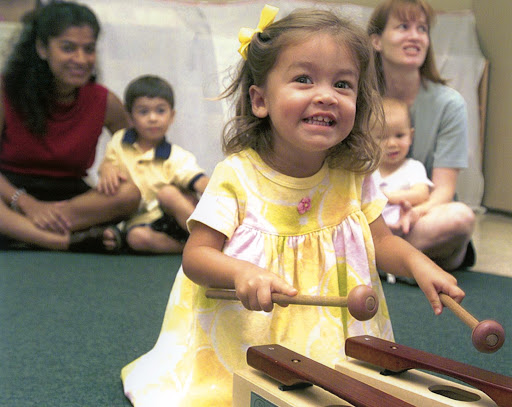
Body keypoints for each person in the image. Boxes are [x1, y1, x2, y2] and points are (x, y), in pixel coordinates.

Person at [120, 6, 464, 406]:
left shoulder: (352, 173)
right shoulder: (237, 175)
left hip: (329, 336)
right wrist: (241, 272)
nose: (325, 95)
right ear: (261, 99)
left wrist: (418, 263)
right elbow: (197, 257)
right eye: (303, 79)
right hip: (246, 336)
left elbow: (382, 242)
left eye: (342, 84)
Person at [0, 0, 140, 252]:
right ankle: (60, 241)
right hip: (11, 194)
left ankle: (22, 232)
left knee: (129, 193)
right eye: (68, 48)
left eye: (89, 49)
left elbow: (135, 149)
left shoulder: (103, 100)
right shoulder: (5, 91)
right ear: (42, 48)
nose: (81, 59)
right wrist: (26, 203)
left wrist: (112, 165)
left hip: (71, 201)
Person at [367, 0, 476, 271]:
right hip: (371, 215)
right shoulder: (359, 99)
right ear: (377, 41)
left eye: (422, 29)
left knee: (460, 218)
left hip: (420, 215)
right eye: (403, 26)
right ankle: (415, 262)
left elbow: (444, 191)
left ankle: (381, 261)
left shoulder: (450, 105)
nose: (415, 36)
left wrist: (415, 212)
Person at [97, 75, 209, 253]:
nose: (153, 118)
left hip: (173, 218)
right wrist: (106, 169)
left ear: (172, 116)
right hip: (142, 223)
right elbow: (107, 165)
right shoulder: (119, 142)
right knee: (136, 238)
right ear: (130, 117)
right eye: (143, 112)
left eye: (160, 111)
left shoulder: (175, 155)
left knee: (168, 193)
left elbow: (196, 178)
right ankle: (186, 249)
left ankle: (209, 239)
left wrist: (215, 191)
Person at [372, 97, 433, 283]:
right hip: (374, 230)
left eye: (400, 136)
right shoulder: (368, 169)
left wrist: (391, 197)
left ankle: (405, 267)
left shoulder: (413, 167)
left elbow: (422, 193)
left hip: (403, 229)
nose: (392, 144)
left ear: (411, 136)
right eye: (382, 137)